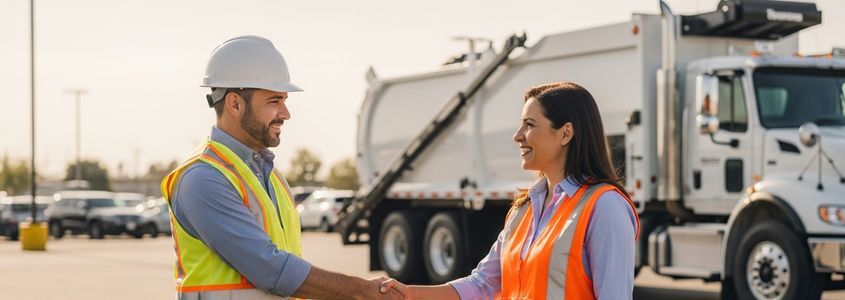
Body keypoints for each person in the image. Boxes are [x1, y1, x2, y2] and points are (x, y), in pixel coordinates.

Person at [161, 35, 402, 300]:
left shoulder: (271, 177)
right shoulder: (202, 179)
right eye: (274, 101)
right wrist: (360, 291)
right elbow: (270, 269)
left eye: (284, 101)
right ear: (235, 104)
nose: (286, 113)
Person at [379, 82, 640, 299]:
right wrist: (409, 293)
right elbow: (482, 283)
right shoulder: (523, 208)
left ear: (565, 134)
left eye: (529, 124)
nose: (518, 135)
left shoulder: (604, 207)